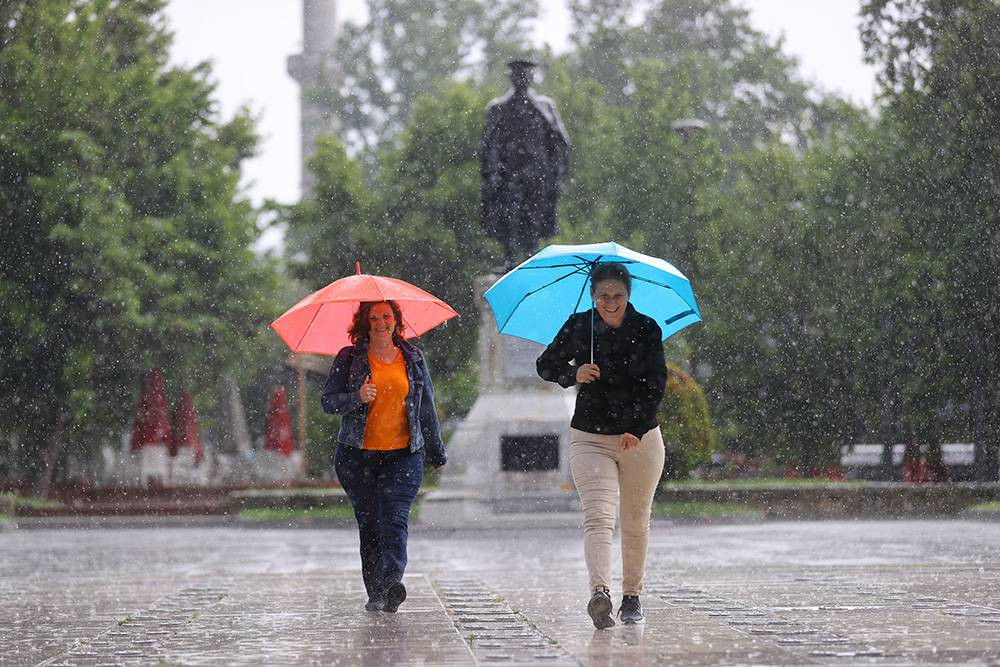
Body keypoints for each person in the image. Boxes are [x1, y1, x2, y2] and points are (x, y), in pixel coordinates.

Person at [536, 262, 668, 628]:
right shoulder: (580, 326)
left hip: (639, 440)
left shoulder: (646, 329)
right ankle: (600, 592)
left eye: (618, 296)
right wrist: (572, 374)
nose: (610, 303)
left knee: (635, 520)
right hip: (590, 437)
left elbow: (656, 384)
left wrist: (636, 428)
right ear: (593, 295)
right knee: (597, 517)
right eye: (603, 296)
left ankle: (632, 596)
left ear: (629, 296)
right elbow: (545, 364)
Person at [321, 300, 448, 613]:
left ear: (396, 320)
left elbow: (426, 407)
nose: (380, 322)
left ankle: (392, 583)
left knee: (394, 517)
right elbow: (328, 402)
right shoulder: (349, 358)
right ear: (365, 322)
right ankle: (375, 591)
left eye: (386, 316)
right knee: (370, 524)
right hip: (356, 457)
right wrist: (357, 397)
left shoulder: (413, 357)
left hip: (403, 456)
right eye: (374, 317)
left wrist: (435, 450)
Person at [481, 58, 570, 269]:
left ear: (532, 77)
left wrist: (558, 174)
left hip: (538, 173)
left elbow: (560, 142)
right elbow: (489, 145)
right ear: (511, 77)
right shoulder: (498, 108)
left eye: (526, 74)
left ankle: (532, 254)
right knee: (509, 214)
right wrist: (493, 174)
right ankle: (510, 256)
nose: (522, 78)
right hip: (508, 173)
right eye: (518, 74)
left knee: (534, 215)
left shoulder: (544, 106)